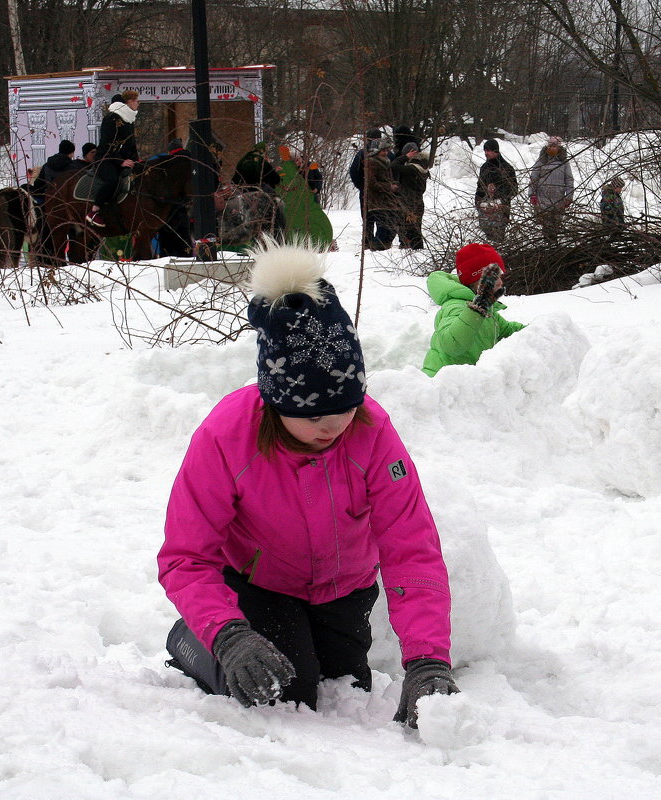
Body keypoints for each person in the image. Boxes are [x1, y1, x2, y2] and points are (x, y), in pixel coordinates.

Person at [158, 241, 458, 727]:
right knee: (283, 692)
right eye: (314, 414)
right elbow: (185, 557)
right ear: (278, 402)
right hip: (262, 584)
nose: (334, 424)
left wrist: (428, 660)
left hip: (345, 588)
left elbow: (412, 549)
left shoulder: (373, 432)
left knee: (344, 685)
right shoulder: (226, 436)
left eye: (346, 406)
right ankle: (190, 637)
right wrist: (228, 634)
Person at [421, 243, 525, 376]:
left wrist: (538, 330)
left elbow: (507, 330)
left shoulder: (486, 310)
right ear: (475, 280)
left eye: (500, 276)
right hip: (440, 383)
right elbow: (451, 345)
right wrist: (476, 310)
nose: (500, 282)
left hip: (465, 384)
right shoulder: (456, 306)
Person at [86, 91, 140, 228]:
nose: (138, 103)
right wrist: (120, 161)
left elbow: (130, 145)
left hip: (122, 159)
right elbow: (107, 145)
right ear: (127, 103)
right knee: (112, 180)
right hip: (105, 159)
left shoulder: (128, 120)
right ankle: (94, 211)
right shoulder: (111, 119)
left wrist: (136, 161)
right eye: (135, 100)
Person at [528, 135, 575, 240]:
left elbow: (569, 180)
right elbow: (534, 178)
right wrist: (532, 194)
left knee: (555, 225)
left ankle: (553, 243)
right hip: (543, 199)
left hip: (558, 200)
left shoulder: (564, 162)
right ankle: (547, 242)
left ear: (559, 148)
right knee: (546, 224)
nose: (552, 148)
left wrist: (569, 196)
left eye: (554, 146)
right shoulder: (541, 161)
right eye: (550, 146)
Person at [474, 138, 518, 242]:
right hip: (485, 211)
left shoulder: (507, 168)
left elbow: (513, 189)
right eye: (485, 151)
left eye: (488, 150)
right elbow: (480, 187)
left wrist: (497, 193)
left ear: (495, 151)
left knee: (498, 240)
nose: (486, 153)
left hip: (500, 210)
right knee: (488, 241)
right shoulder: (484, 168)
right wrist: (478, 202)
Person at [390, 142, 429, 249]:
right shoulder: (423, 167)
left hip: (409, 203)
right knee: (416, 229)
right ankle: (418, 249)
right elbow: (411, 184)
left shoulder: (411, 169)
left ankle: (413, 249)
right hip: (418, 202)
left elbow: (393, 165)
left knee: (410, 230)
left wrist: (405, 157)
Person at [348, 129, 382, 248]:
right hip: (382, 192)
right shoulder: (387, 153)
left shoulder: (362, 153)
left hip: (366, 191)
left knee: (367, 218)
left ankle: (368, 242)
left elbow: (353, 171)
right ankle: (379, 241)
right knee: (381, 216)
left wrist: (361, 186)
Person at [363, 139, 398, 251]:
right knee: (383, 228)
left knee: (391, 228)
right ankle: (377, 249)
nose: (386, 153)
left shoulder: (385, 162)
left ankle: (383, 248)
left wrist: (393, 185)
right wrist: (389, 187)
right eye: (383, 150)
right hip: (378, 201)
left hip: (388, 201)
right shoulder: (371, 163)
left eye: (387, 150)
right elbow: (371, 183)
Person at [33, 140, 77, 204]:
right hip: (66, 202)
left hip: (48, 200)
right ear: (71, 153)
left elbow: (38, 184)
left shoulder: (46, 165)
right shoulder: (73, 168)